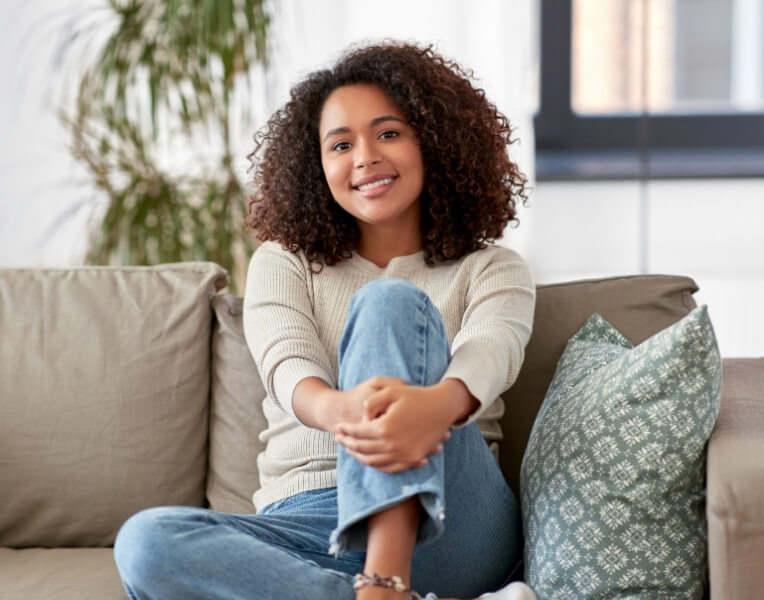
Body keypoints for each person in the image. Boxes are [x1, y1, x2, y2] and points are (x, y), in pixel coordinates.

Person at [114, 41, 537, 600]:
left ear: (434, 142)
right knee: (147, 543)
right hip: (310, 524)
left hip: (449, 519)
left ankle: (385, 583)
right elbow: (286, 364)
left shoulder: (492, 268)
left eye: (388, 133)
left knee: (388, 303)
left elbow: (493, 348)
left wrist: (437, 406)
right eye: (341, 144)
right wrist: (343, 411)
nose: (364, 157)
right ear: (316, 166)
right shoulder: (283, 262)